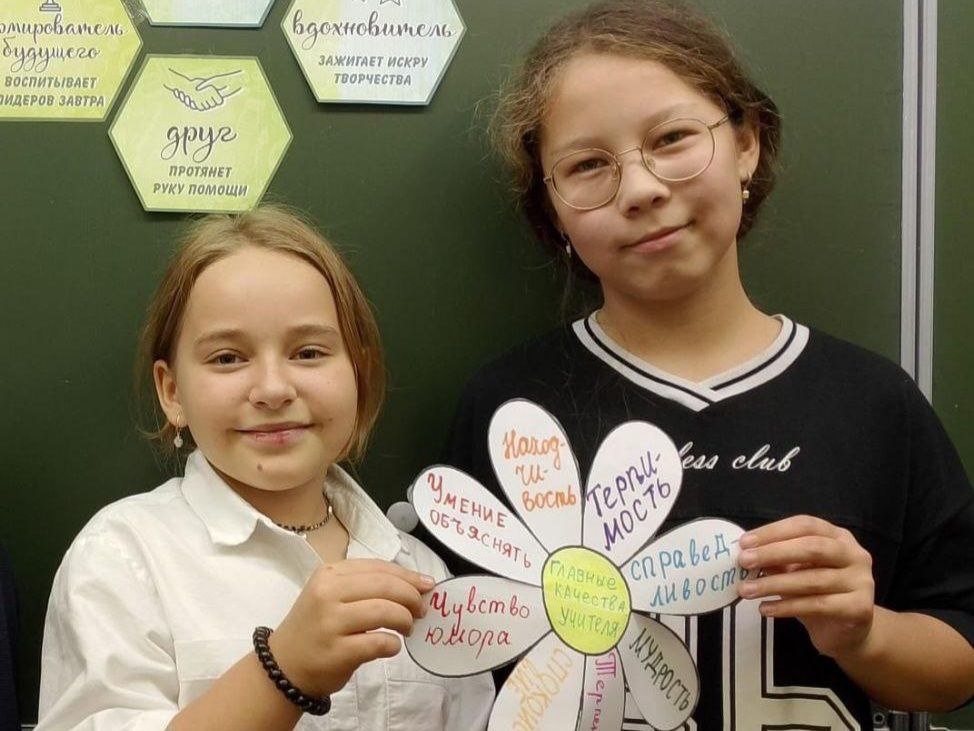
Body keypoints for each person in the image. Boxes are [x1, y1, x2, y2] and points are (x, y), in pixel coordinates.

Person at [438, 0, 974, 727]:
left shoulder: (873, 403)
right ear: (551, 206)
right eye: (588, 165)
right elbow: (455, 657)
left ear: (746, 143)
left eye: (673, 138)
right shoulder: (509, 407)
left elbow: (957, 662)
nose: (641, 190)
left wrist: (864, 633)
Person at [37, 205, 493, 730]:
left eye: (309, 352)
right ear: (172, 392)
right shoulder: (123, 558)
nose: (274, 389)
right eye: (228, 358)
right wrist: (283, 671)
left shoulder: (420, 570)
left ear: (359, 374)